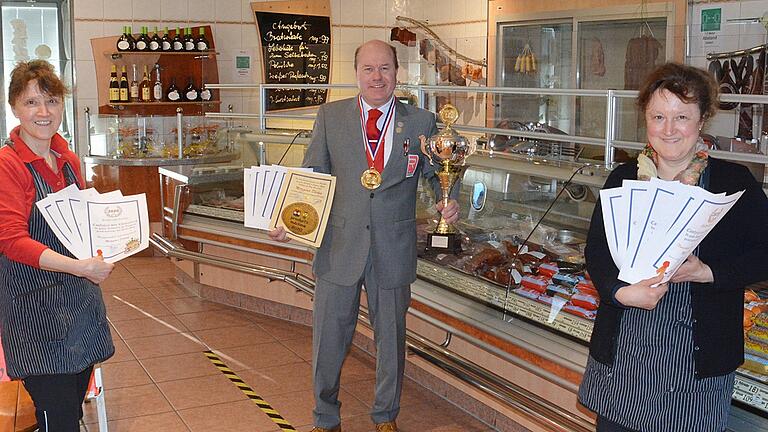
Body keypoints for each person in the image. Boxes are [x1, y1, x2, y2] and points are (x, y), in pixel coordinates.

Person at [270, 40, 459, 432]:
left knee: (390, 339)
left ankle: (385, 416)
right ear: (356, 73)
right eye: (369, 69)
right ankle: (325, 416)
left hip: (393, 246)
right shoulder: (331, 116)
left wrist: (448, 201)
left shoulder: (421, 122)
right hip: (339, 245)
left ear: (397, 73)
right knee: (328, 338)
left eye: (385, 68)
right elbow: (313, 175)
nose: (378, 77)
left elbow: (439, 172)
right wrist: (292, 221)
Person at [578, 62, 768, 432]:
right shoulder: (622, 178)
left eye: (681, 116)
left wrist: (707, 272)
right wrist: (618, 292)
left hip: (696, 362)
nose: (668, 129)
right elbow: (597, 253)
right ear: (646, 120)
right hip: (624, 350)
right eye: (658, 116)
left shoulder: (733, 181)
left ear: (702, 120)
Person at [0, 60, 115, 431]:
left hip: (77, 307)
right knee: (57, 417)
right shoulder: (8, 164)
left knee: (71, 411)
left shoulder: (67, 160)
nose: (43, 112)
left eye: (51, 101)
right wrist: (80, 267)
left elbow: (80, 227)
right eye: (31, 102)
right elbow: (11, 241)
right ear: (15, 107)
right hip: (35, 312)